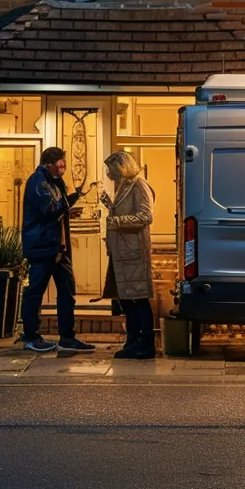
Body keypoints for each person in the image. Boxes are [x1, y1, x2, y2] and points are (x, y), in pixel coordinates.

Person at [18, 147, 97, 353]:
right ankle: (31, 336)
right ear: (48, 164)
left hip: (56, 247)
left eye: (65, 166)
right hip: (43, 247)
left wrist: (74, 197)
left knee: (67, 291)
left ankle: (67, 337)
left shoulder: (52, 182)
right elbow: (50, 210)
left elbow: (56, 208)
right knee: (35, 292)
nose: (63, 169)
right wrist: (70, 202)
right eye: (60, 165)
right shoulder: (38, 182)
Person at [98, 151, 156, 359]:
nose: (108, 173)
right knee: (126, 300)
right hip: (122, 253)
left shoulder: (139, 185)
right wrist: (110, 206)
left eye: (111, 169)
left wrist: (116, 221)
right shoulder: (124, 186)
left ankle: (145, 344)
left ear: (121, 167)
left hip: (134, 253)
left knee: (138, 299)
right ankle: (132, 342)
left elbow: (146, 215)